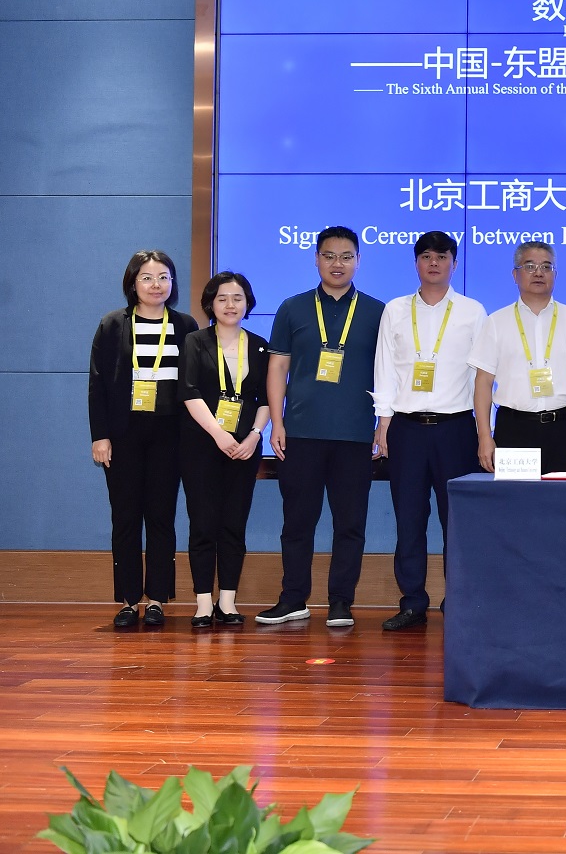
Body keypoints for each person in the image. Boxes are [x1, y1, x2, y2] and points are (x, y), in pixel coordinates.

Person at [259, 226, 385, 628]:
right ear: (316, 259)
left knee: (350, 524)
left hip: (354, 435)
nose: (337, 264)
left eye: (346, 256)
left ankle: (341, 601)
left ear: (359, 261)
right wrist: (277, 423)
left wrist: (383, 424)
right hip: (301, 433)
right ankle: (293, 598)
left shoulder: (378, 312)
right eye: (329, 256)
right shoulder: (292, 308)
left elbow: (389, 374)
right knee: (297, 522)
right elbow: (277, 367)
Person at [372, 231, 487, 631]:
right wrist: (383, 421)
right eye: (425, 256)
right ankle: (412, 602)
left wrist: (484, 431)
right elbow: (385, 368)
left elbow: (482, 377)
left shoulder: (473, 312)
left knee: (458, 520)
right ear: (416, 263)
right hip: (406, 429)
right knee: (409, 518)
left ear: (454, 263)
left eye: (441, 256)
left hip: (456, 428)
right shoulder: (395, 310)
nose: (433, 263)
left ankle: (459, 598)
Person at [88, 250, 200, 628]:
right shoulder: (112, 325)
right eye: (147, 278)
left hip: (170, 434)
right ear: (132, 283)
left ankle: (156, 600)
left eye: (164, 277)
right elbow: (98, 385)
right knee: (125, 517)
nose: (156, 285)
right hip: (124, 434)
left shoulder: (185, 325)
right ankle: (127, 600)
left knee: (161, 517)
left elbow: (195, 382)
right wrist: (100, 436)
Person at [179, 272, 270, 628]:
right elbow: (189, 392)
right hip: (201, 446)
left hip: (244, 449)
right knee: (203, 525)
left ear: (248, 303)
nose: (230, 305)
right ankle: (203, 603)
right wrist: (219, 435)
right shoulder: (195, 341)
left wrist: (254, 436)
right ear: (210, 304)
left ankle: (228, 602)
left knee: (234, 524)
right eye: (222, 298)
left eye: (237, 298)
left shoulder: (260, 346)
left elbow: (266, 398)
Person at [471, 242, 566, 475]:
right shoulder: (496, 321)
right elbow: (483, 382)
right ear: (515, 274)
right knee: (515, 498)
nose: (539, 273)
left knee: (562, 496)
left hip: (562, 428)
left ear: (555, 274)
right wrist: (485, 436)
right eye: (529, 266)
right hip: (514, 428)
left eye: (546, 267)